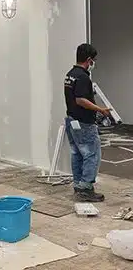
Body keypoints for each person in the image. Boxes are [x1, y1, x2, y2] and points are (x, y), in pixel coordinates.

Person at [64, 43, 111, 202]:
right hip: (84, 123)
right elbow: (81, 100)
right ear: (89, 59)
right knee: (92, 154)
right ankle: (85, 189)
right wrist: (100, 109)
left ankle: (78, 185)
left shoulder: (70, 74)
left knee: (77, 153)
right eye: (93, 60)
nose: (93, 63)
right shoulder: (83, 77)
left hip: (72, 121)